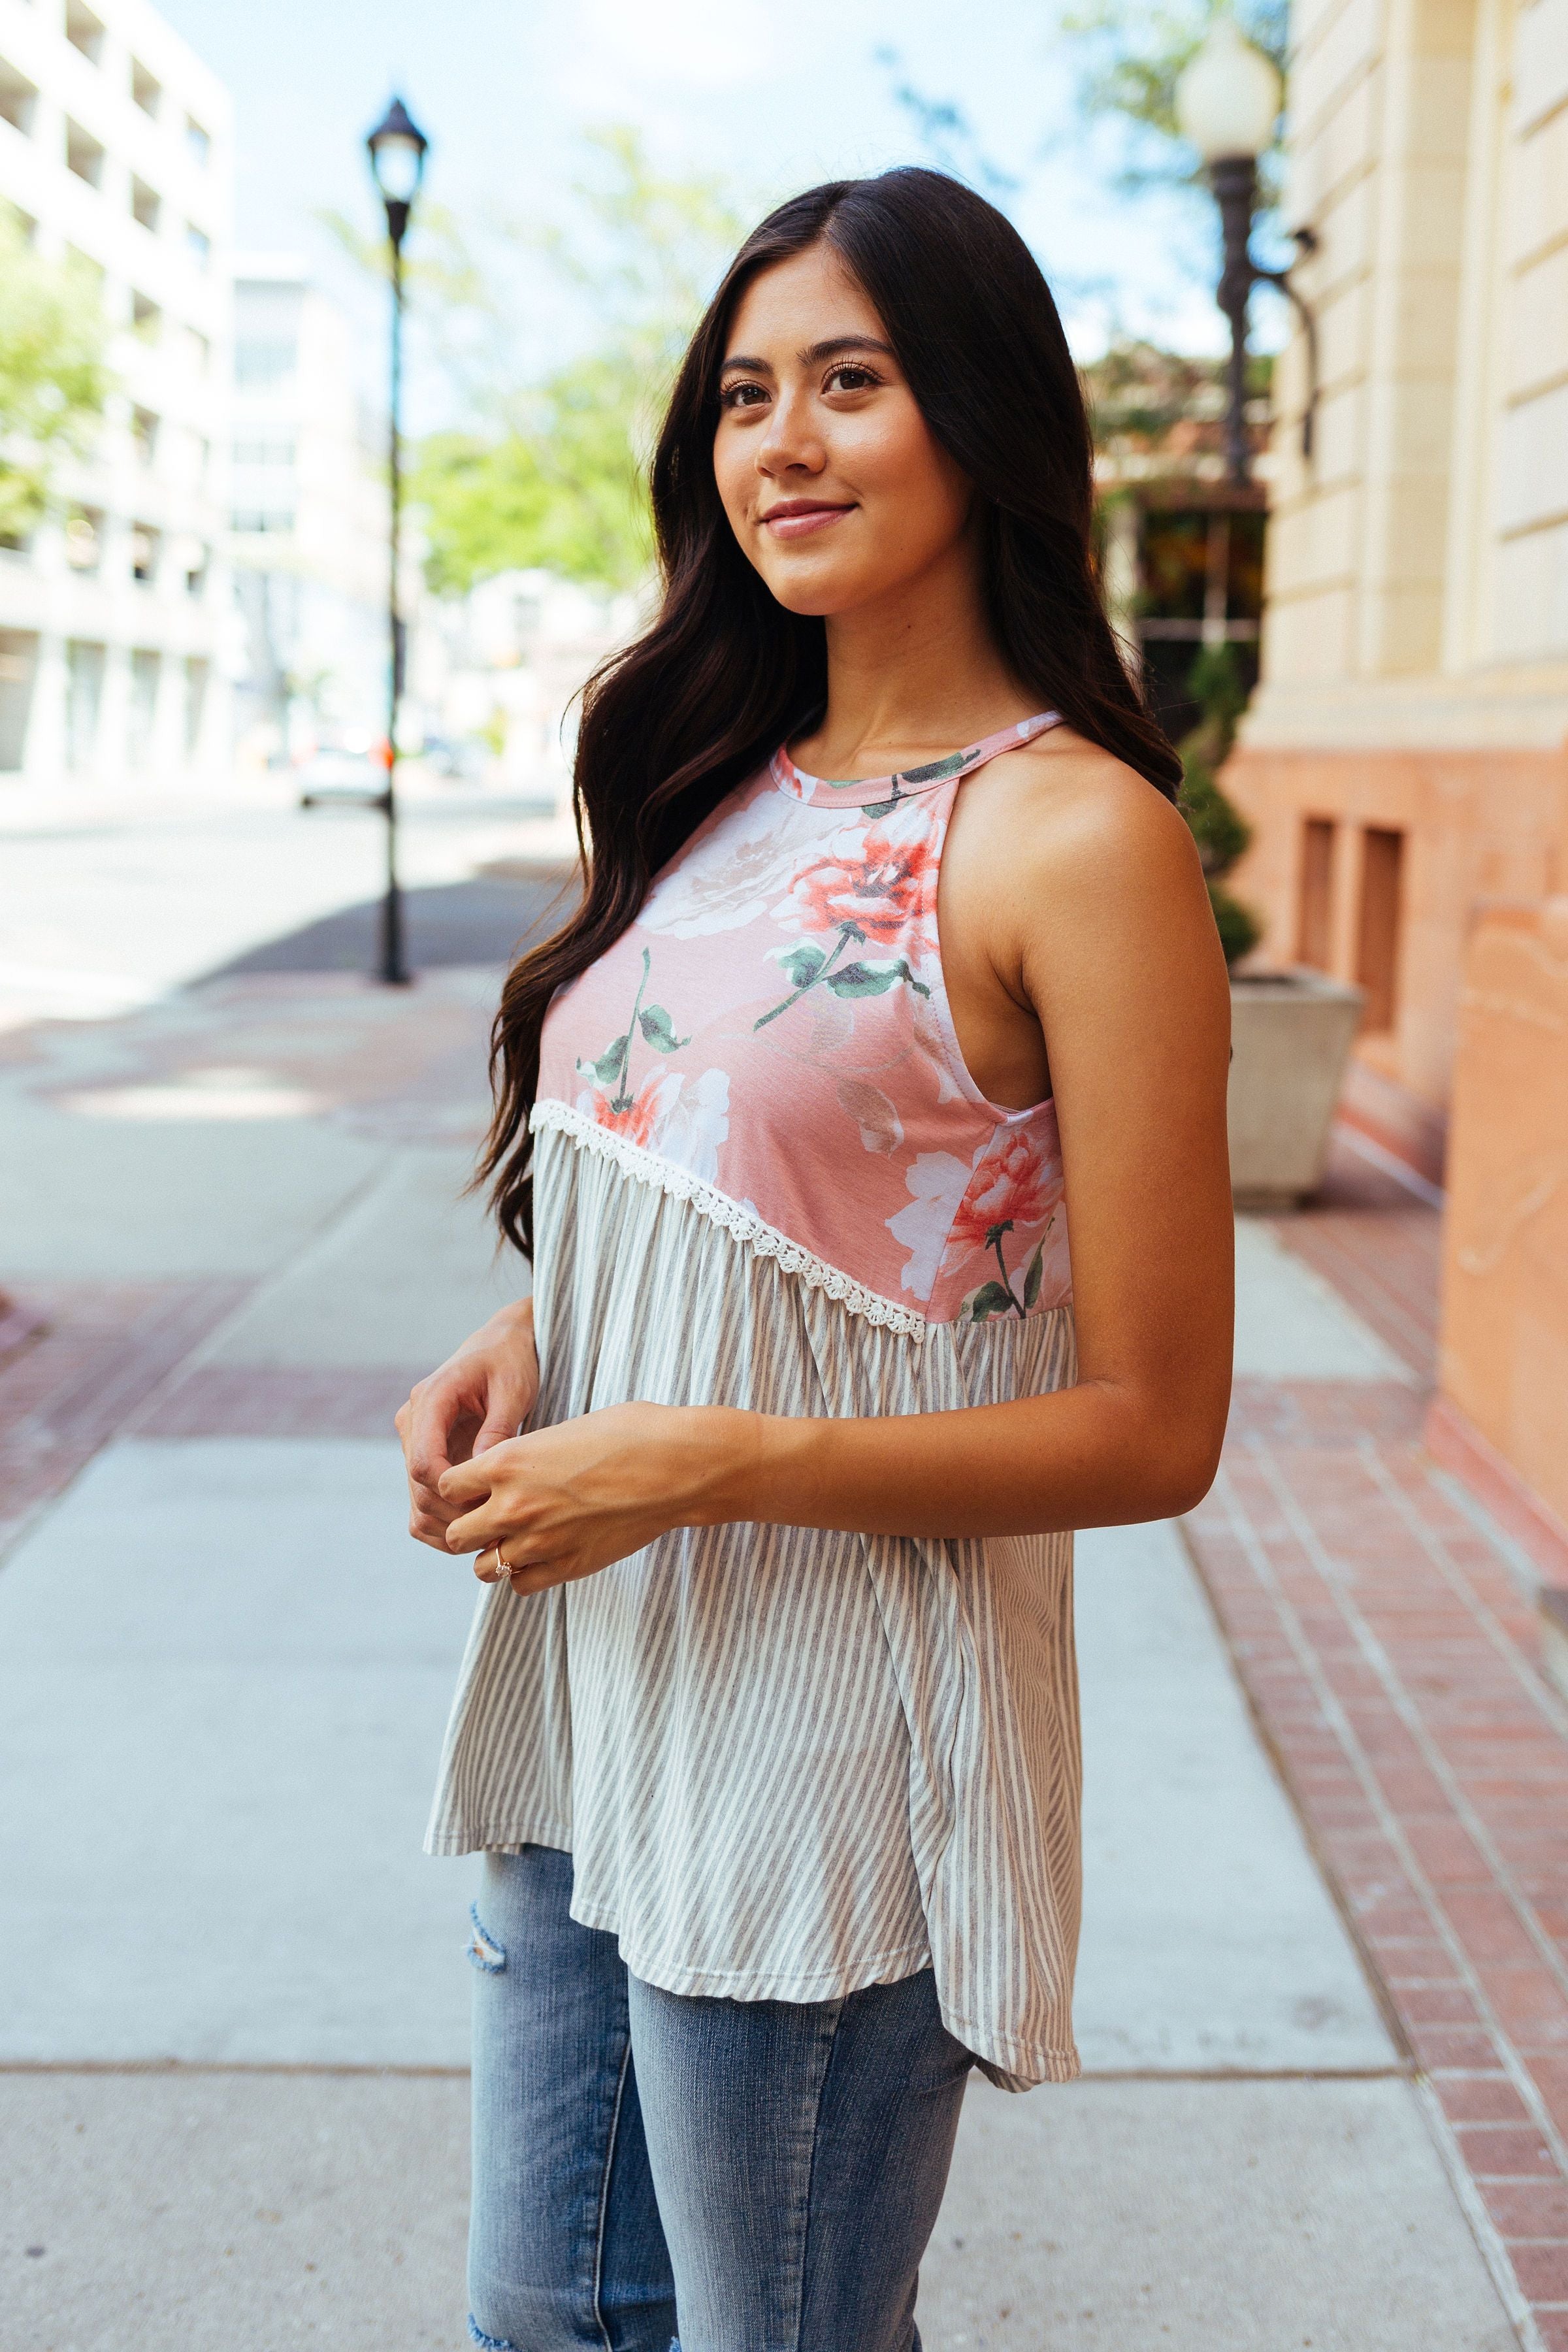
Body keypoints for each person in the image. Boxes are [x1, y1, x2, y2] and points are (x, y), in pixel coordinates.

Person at [397, 167, 1233, 2352]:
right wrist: (532, 1335)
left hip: (826, 1763)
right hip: (602, 1695)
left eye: (850, 383)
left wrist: (702, 1463)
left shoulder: (1079, 841)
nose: (783, 443)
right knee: (540, 2325)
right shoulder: (708, 776)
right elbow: (727, 1171)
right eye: (747, 393)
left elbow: (1156, 1428)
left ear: (977, 417)